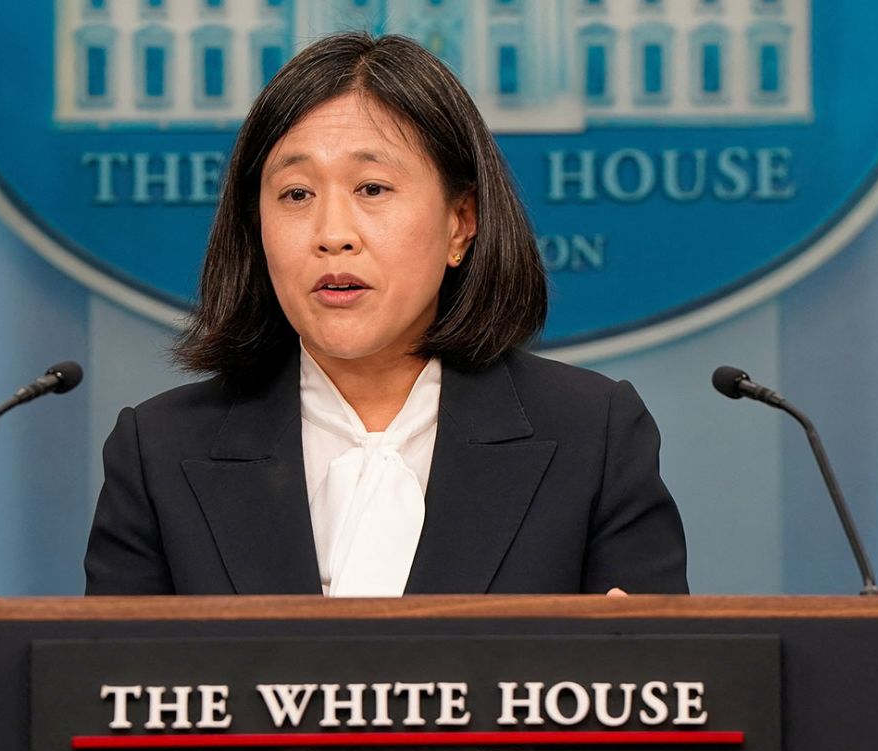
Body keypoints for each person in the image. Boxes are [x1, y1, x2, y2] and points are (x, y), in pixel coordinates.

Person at [85, 33, 687, 597]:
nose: (332, 234)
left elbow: (673, 690)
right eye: (297, 194)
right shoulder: (158, 453)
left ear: (461, 223)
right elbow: (98, 698)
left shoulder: (593, 435)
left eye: (372, 188)